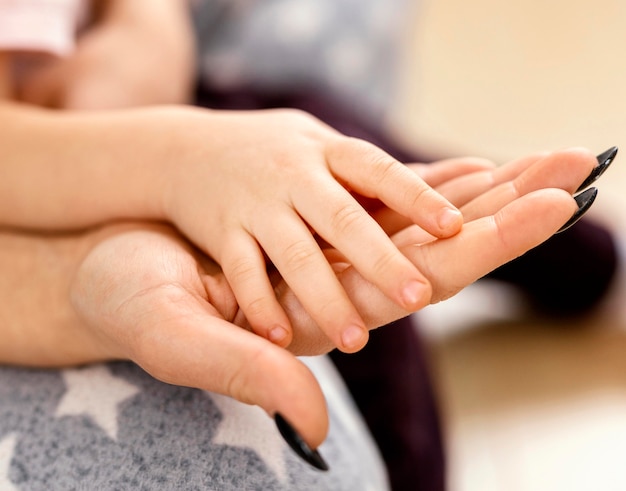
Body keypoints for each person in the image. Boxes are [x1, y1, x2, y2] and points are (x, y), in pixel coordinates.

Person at [0, 1, 618, 489]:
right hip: (101, 159)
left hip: (156, 112)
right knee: (352, 240)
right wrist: (172, 157)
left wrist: (145, 21)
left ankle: (587, 254)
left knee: (362, 179)